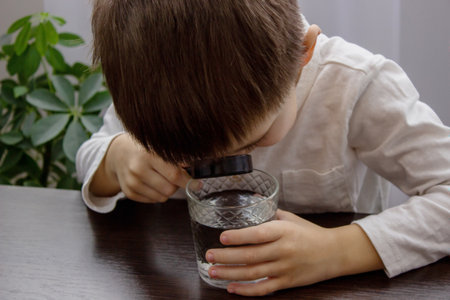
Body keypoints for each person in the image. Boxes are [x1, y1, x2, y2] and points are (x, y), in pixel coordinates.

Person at [76, 0, 450, 296]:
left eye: (250, 142)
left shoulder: (356, 84)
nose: (221, 163)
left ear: (302, 56)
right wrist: (116, 160)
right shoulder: (156, 83)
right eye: (190, 158)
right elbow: (89, 158)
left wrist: (338, 250)